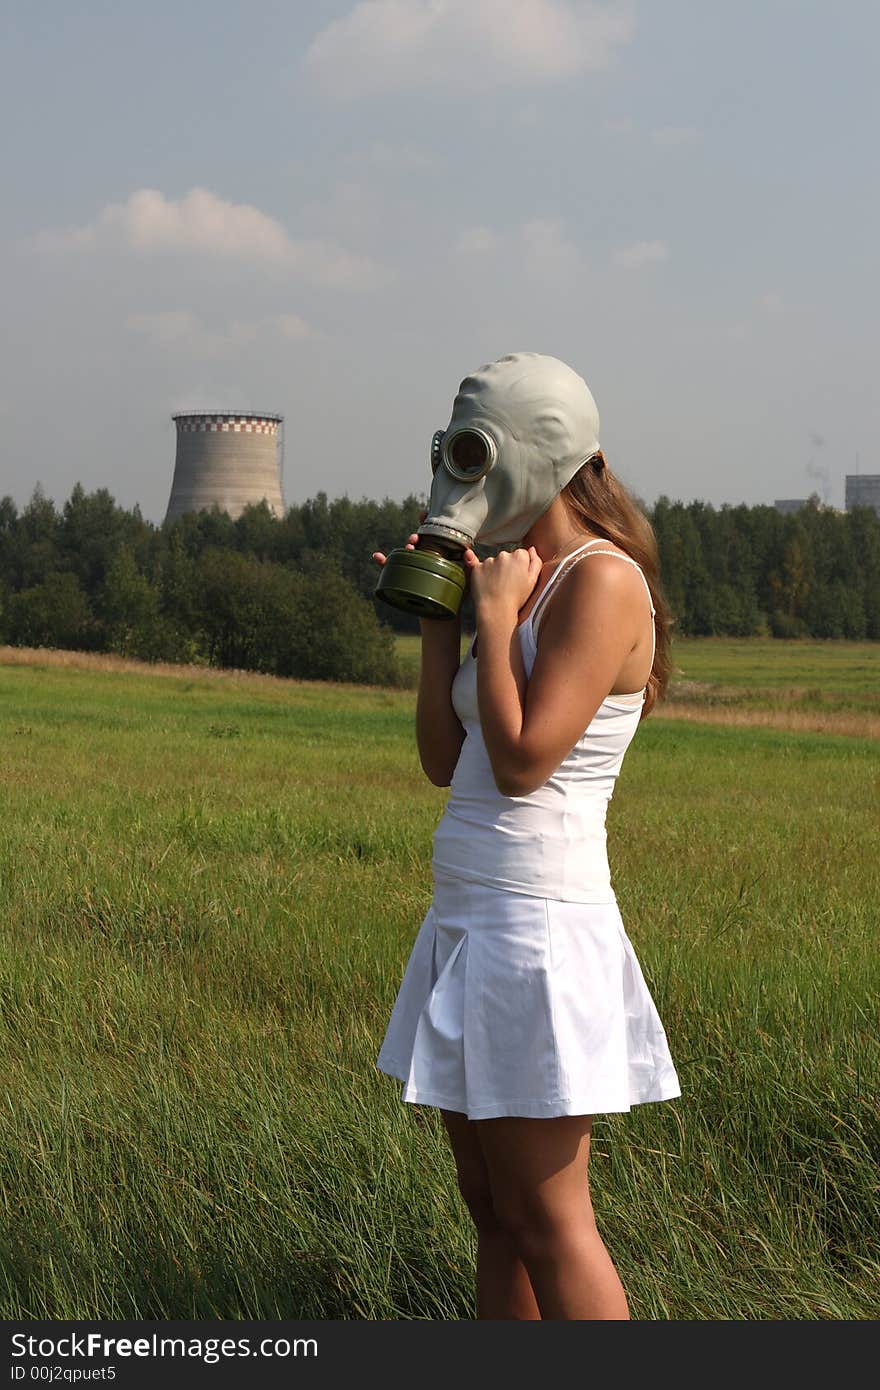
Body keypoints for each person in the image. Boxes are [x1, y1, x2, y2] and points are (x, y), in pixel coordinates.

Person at [371, 353, 680, 1320]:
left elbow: (522, 762)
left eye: (474, 450)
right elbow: (442, 758)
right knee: (493, 1211)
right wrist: (442, 620)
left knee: (551, 1219)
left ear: (530, 453)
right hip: (468, 918)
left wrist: (498, 618)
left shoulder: (601, 582)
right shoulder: (519, 580)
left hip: (535, 932)